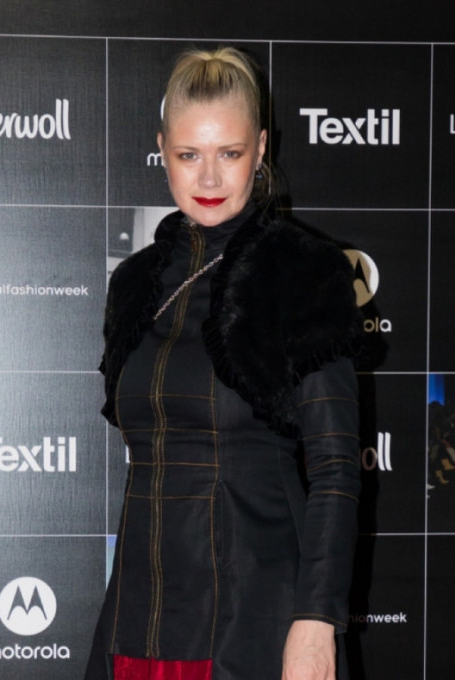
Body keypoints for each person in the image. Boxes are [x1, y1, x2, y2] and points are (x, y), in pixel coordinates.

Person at [85, 46, 362, 680]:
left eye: (229, 154)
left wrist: (316, 620)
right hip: (138, 616)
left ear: (261, 150)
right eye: (189, 155)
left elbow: (336, 468)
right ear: (162, 151)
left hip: (257, 612)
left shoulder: (301, 272)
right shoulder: (134, 284)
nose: (209, 178)